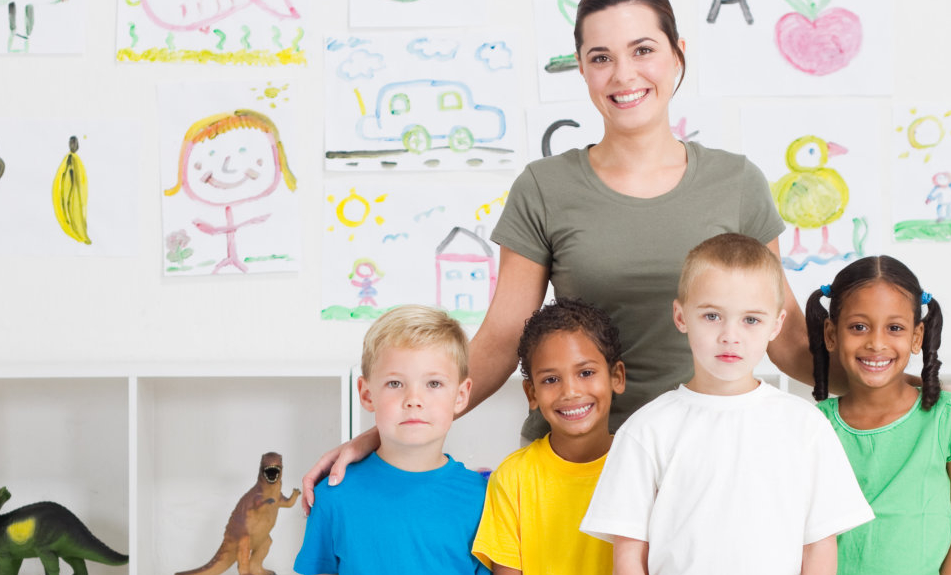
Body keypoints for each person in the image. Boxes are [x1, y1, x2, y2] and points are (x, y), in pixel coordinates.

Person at [303, 0, 951, 502]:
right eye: (601, 57)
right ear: (582, 69)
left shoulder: (738, 183)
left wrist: (911, 387)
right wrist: (389, 433)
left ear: (677, 55)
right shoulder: (544, 187)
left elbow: (785, 342)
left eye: (642, 50)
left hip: (713, 460)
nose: (624, 75)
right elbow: (498, 340)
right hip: (581, 459)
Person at [580, 234, 871, 575]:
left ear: (776, 324)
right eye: (712, 316)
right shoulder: (646, 429)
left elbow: (820, 546)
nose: (730, 336)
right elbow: (629, 555)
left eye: (750, 320)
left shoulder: (805, 425)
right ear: (680, 316)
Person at [806, 256, 951, 574]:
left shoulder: (949, 417)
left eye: (894, 328)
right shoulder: (814, 426)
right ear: (831, 334)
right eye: (859, 327)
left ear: (917, 337)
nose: (876, 343)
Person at [293, 306, 489, 575]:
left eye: (433, 383)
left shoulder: (484, 498)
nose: (414, 400)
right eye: (395, 383)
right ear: (366, 394)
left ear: (461, 395)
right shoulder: (333, 496)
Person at [471, 298, 628, 575]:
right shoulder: (513, 477)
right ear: (532, 393)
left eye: (586, 373)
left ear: (616, 376)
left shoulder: (641, 469)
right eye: (551, 380)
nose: (570, 392)